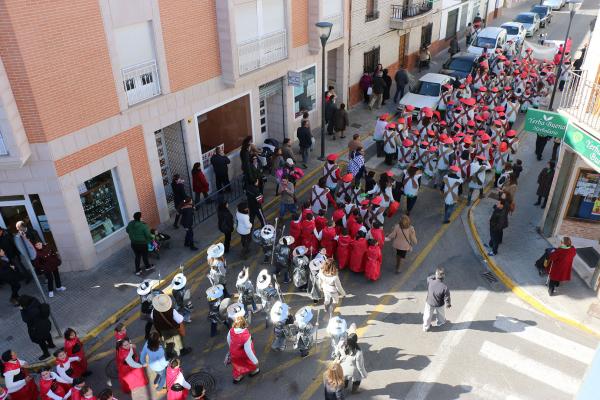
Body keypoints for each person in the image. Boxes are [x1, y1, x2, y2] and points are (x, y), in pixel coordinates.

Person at [18, 295, 54, 360]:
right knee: (47, 334)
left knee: (41, 341)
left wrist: (22, 311)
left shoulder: (29, 311)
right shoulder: (35, 302)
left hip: (37, 329)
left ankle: (46, 353)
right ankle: (51, 344)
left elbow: (25, 320)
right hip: (46, 324)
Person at [227, 316, 260, 384]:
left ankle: (238, 377)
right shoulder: (246, 335)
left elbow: (228, 340)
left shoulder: (231, 330)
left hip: (234, 352)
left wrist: (232, 349)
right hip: (243, 354)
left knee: (237, 364)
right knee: (249, 363)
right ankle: (254, 371)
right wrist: (255, 361)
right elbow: (248, 351)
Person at [125, 212, 154, 276]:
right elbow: (148, 235)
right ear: (140, 218)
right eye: (141, 216)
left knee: (137, 256)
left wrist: (133, 235)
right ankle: (148, 267)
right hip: (142, 244)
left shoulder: (130, 223)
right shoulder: (143, 226)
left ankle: (137, 270)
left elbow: (127, 230)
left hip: (133, 244)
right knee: (144, 256)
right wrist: (152, 237)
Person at [423, 267, 451, 332]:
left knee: (427, 315)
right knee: (441, 314)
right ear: (443, 277)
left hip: (429, 302)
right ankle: (440, 323)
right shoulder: (445, 287)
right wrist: (448, 304)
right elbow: (447, 297)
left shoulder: (430, 281)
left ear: (436, 275)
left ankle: (426, 327)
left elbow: (428, 278)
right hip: (439, 304)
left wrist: (435, 275)